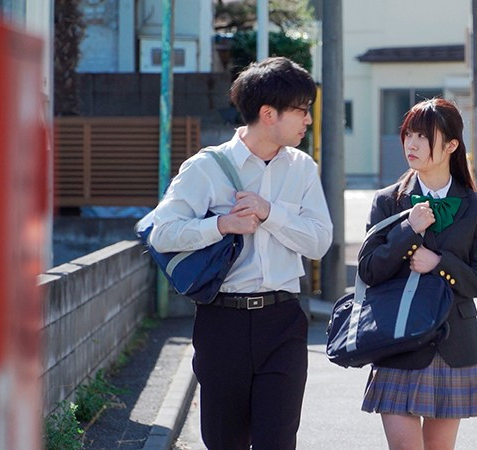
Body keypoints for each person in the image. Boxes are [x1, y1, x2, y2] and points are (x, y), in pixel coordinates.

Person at [148, 57, 333, 449]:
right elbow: (161, 233)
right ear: (268, 114)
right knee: (224, 440)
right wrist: (220, 225)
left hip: (283, 319)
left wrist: (270, 212)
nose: (308, 120)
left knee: (277, 441)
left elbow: (319, 241)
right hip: (222, 322)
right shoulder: (206, 168)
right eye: (301, 110)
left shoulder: (302, 168)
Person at [358, 98, 477, 449]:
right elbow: (369, 269)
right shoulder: (388, 201)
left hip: (454, 344)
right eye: (409, 134)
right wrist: (409, 230)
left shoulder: (476, 207)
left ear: (451, 145)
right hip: (397, 341)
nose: (412, 143)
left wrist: (439, 263)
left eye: (423, 136)